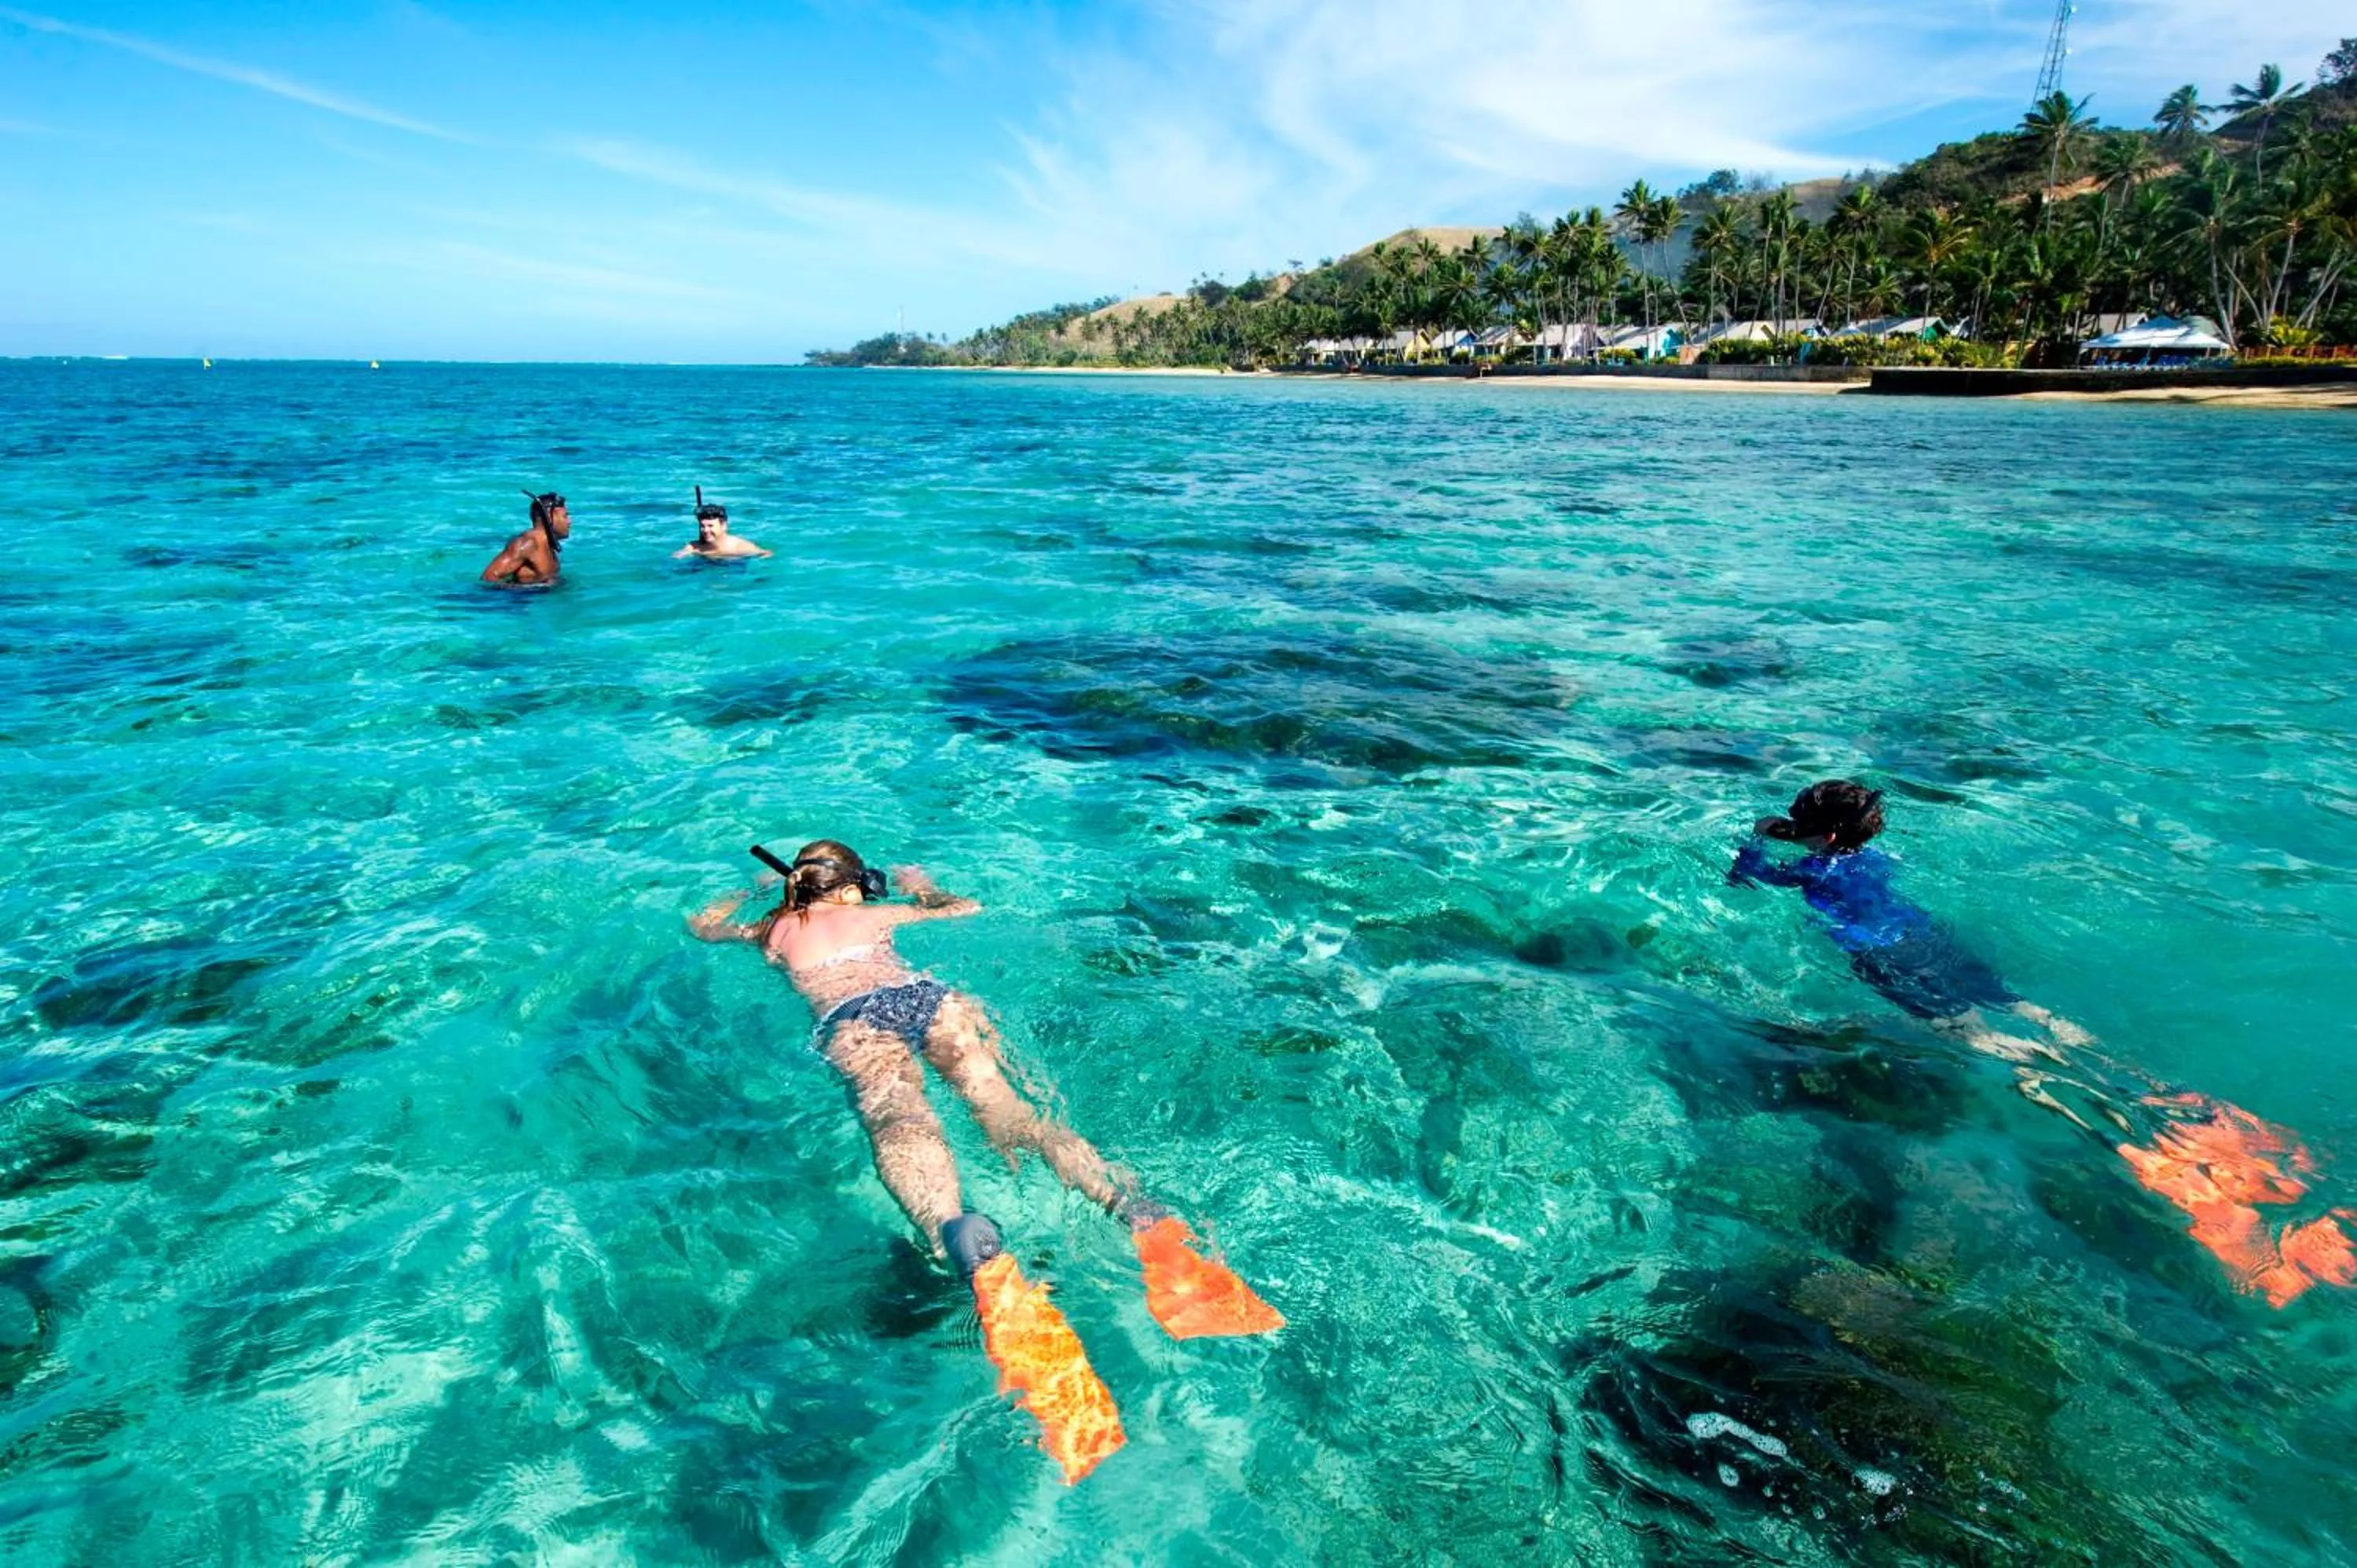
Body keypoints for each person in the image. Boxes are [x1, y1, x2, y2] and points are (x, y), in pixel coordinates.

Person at [690, 839, 1281, 1480]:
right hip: (928, 999)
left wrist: (755, 891)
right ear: (855, 886)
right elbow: (963, 908)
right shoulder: (877, 915)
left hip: (853, 1019)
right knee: (1016, 1116)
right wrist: (921, 886)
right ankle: (1132, 1207)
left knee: (900, 1121)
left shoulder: (772, 932)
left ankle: (957, 1233)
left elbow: (702, 926)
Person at [1730, 779, 2354, 1307]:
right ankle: (2155, 1090)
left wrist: (1758, 839)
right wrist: (1811, 836)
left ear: (1824, 836)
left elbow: (1748, 876)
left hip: (1887, 960)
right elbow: (1851, 863)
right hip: (1936, 942)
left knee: (1984, 1042)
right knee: (2034, 1015)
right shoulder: (1876, 858)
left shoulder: (1813, 868)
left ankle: (2096, 1112)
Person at [481, 490, 569, 585]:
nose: (569, 522)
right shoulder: (528, 543)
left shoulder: (549, 545)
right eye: (565, 516)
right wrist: (525, 589)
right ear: (549, 517)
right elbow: (488, 578)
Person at [673, 489, 770, 560]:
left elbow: (767, 553)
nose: (706, 530)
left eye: (710, 526)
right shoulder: (694, 547)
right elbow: (677, 556)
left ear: (723, 526)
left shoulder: (739, 547)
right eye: (703, 526)